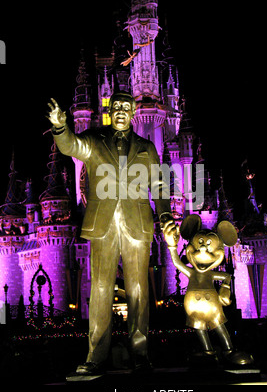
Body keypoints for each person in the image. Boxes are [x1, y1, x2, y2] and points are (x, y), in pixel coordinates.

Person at [47, 92, 174, 376]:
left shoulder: (146, 147)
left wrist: (165, 215)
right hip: (103, 225)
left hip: (137, 224)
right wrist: (60, 127)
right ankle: (95, 356)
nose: (120, 111)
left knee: (139, 291)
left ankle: (140, 355)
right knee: (101, 289)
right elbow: (71, 146)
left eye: (126, 108)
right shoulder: (94, 140)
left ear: (132, 113)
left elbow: (160, 185)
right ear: (109, 109)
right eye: (116, 106)